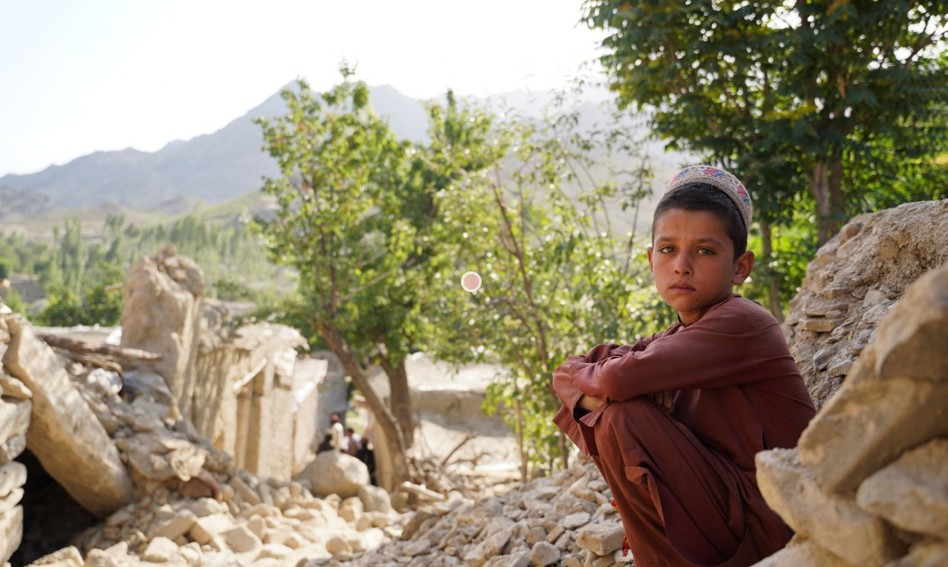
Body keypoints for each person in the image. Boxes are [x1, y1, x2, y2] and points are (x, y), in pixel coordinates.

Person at [552, 165, 816, 567]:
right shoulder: (674, 338)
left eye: (705, 251)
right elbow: (568, 370)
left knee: (625, 416)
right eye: (668, 249)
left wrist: (602, 394)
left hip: (770, 526)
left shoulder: (745, 323)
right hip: (724, 517)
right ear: (650, 258)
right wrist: (597, 395)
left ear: (741, 266)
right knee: (618, 409)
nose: (682, 265)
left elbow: (615, 377)